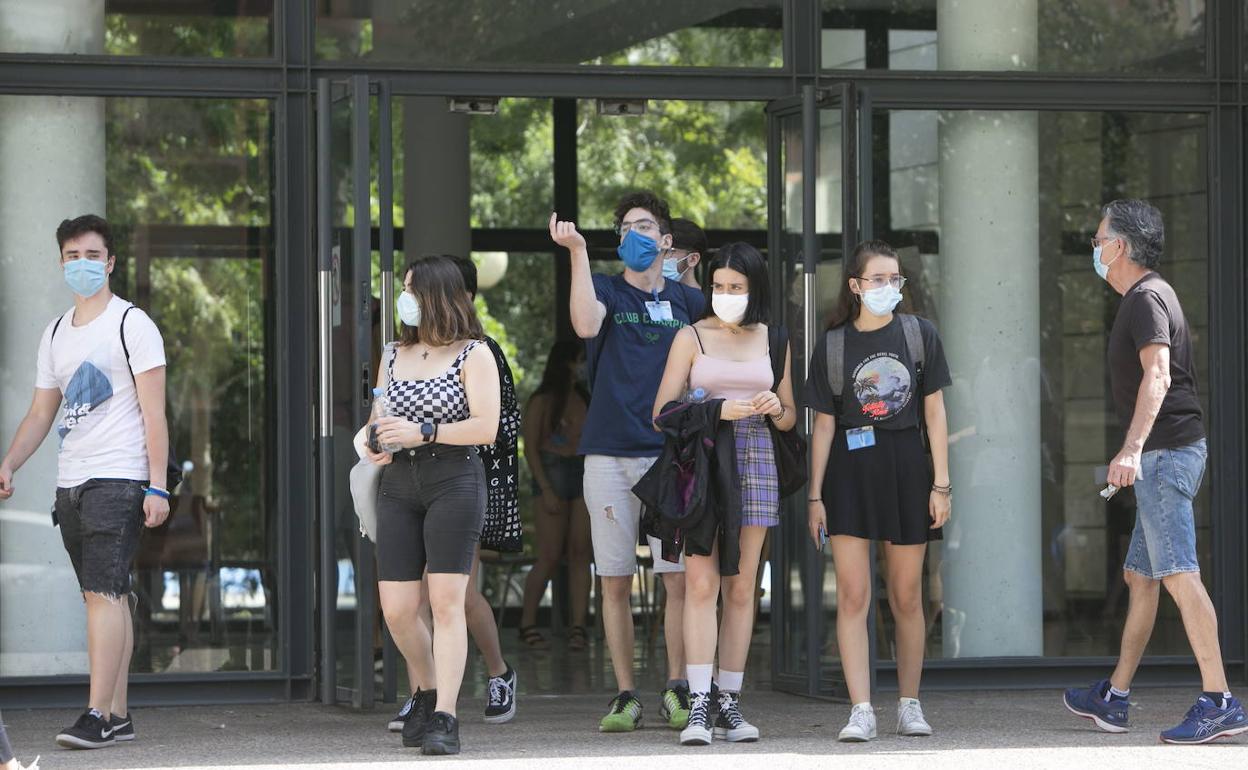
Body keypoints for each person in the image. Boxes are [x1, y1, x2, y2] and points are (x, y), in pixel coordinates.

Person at [1062, 200, 1246, 744]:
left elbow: (1159, 375)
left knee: (1177, 573)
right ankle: (1115, 697)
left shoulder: (1145, 299)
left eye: (1098, 241)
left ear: (1119, 246)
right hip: (1169, 453)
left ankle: (1220, 701)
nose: (1095, 249)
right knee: (1140, 577)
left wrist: (1131, 449)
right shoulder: (1150, 296)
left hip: (1163, 455)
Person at [0, 215, 170, 750]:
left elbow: (154, 414)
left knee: (102, 593)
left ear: (110, 261)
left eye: (91, 255)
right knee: (106, 595)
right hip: (70, 483)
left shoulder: (132, 325)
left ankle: (96, 714)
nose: (81, 265)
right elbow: (39, 414)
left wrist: (158, 486)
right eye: (71, 257)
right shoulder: (55, 332)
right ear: (60, 263)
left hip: (118, 478)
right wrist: (9, 463)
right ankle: (118, 716)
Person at [549, 190, 705, 733]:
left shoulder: (688, 302)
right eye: (623, 229)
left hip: (672, 457)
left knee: (677, 579)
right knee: (613, 579)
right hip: (610, 456)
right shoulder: (609, 291)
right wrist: (575, 252)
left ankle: (678, 686)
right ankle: (624, 694)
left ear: (665, 240)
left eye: (643, 227)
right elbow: (586, 325)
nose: (631, 235)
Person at [804, 239, 952, 742]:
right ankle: (861, 708)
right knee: (853, 594)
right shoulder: (834, 344)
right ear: (855, 286)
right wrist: (815, 496)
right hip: (849, 472)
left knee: (908, 596)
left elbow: (935, 411)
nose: (888, 288)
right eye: (877, 279)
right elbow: (822, 426)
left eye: (895, 280)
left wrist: (942, 484)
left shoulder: (919, 335)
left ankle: (909, 703)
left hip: (907, 469)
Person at [651, 242, 797, 745]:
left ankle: (730, 700)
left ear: (754, 289)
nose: (725, 295)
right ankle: (698, 703)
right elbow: (662, 412)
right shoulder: (690, 336)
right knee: (700, 584)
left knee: (742, 586)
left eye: (736, 287)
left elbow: (791, 416)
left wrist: (775, 406)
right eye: (718, 286)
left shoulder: (775, 339)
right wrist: (717, 412)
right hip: (703, 462)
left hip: (757, 457)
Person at [365, 255, 501, 756]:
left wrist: (425, 431)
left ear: (437, 295)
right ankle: (424, 690)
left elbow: (485, 427)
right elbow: (378, 415)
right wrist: (376, 439)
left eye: (411, 289)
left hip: (454, 479)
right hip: (399, 483)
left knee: (445, 603)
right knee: (398, 610)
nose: (404, 298)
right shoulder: (394, 351)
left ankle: (446, 712)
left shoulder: (475, 353)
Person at [518, 340, 592, 651]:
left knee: (580, 554)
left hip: (582, 470)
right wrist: (545, 487)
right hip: (552, 470)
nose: (582, 367)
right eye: (578, 360)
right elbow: (530, 448)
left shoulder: (584, 398)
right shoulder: (542, 400)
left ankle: (578, 626)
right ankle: (527, 623)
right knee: (548, 555)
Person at [665, 218, 707, 290]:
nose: (659, 257)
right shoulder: (653, 298)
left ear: (693, 259)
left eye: (668, 251)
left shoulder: (706, 300)